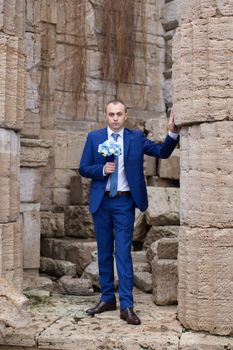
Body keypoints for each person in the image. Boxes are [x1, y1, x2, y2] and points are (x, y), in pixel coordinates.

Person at [79, 100, 179, 325]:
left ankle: (127, 306)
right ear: (106, 115)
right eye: (111, 114)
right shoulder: (94, 138)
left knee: (123, 253)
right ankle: (106, 299)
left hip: (125, 203)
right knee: (104, 251)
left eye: (119, 114)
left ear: (126, 116)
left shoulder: (135, 138)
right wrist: (102, 169)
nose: (115, 118)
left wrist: (172, 132)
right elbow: (83, 167)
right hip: (101, 202)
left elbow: (162, 152)